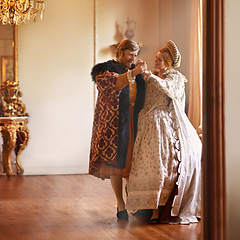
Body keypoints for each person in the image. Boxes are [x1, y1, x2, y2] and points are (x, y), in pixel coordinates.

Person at [126, 40, 202, 224]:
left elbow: (169, 90)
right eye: (156, 58)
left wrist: (149, 76)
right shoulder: (152, 75)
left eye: (160, 59)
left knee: (161, 164)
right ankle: (149, 206)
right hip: (146, 122)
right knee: (146, 164)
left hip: (162, 121)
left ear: (167, 61)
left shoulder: (174, 76)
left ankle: (158, 208)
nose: (156, 60)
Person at [89, 39, 146, 220]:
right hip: (114, 123)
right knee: (116, 165)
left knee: (132, 163)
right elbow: (113, 84)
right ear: (119, 52)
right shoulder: (105, 70)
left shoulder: (134, 71)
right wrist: (134, 72)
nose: (132, 59)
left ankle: (134, 201)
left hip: (132, 120)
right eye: (130, 54)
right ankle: (120, 205)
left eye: (135, 55)